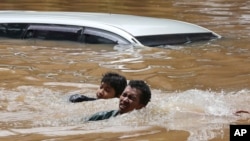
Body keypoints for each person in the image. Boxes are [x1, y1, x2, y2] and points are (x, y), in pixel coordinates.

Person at [85, 80, 151, 121]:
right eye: (124, 95)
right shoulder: (102, 116)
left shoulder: (141, 122)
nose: (125, 100)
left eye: (131, 98)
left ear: (140, 106)